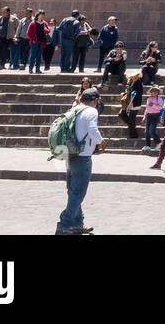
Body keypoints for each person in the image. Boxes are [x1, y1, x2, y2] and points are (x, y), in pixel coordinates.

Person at [57, 87, 106, 234]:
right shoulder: (91, 111)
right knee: (78, 192)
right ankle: (64, 223)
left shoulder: (74, 110)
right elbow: (92, 130)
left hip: (69, 154)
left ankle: (78, 222)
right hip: (83, 155)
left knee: (73, 190)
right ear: (95, 100)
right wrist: (101, 141)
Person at [142, 85, 164, 152]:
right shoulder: (149, 99)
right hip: (148, 115)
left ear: (157, 92)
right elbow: (147, 108)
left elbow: (161, 107)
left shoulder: (159, 99)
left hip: (155, 116)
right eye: (152, 92)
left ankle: (159, 143)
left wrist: (153, 105)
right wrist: (144, 117)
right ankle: (147, 145)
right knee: (147, 131)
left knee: (152, 131)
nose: (153, 93)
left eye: (155, 92)